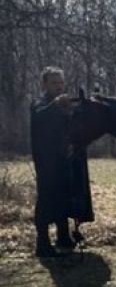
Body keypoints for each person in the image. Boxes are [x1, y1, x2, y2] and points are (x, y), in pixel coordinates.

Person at [31, 66, 94, 257]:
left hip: (66, 160)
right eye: (54, 83)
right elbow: (41, 117)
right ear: (45, 84)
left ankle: (64, 237)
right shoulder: (39, 104)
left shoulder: (66, 105)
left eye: (60, 83)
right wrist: (56, 105)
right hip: (47, 163)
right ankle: (42, 244)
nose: (58, 87)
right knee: (46, 200)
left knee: (65, 197)